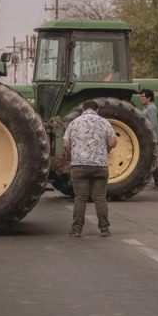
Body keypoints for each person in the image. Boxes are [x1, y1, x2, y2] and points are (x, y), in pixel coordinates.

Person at [63, 99, 117, 237]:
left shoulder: (74, 122)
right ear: (96, 110)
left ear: (83, 110)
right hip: (100, 166)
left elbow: (65, 144)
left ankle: (76, 230)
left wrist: (74, 154)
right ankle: (104, 229)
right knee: (99, 197)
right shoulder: (104, 122)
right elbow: (112, 142)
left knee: (80, 197)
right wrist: (107, 148)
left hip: (79, 166)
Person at [139, 89, 158, 190]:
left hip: (151, 138)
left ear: (149, 98)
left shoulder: (151, 108)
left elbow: (153, 124)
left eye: (142, 97)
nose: (141, 98)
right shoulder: (146, 108)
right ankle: (157, 182)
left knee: (152, 160)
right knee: (150, 160)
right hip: (148, 138)